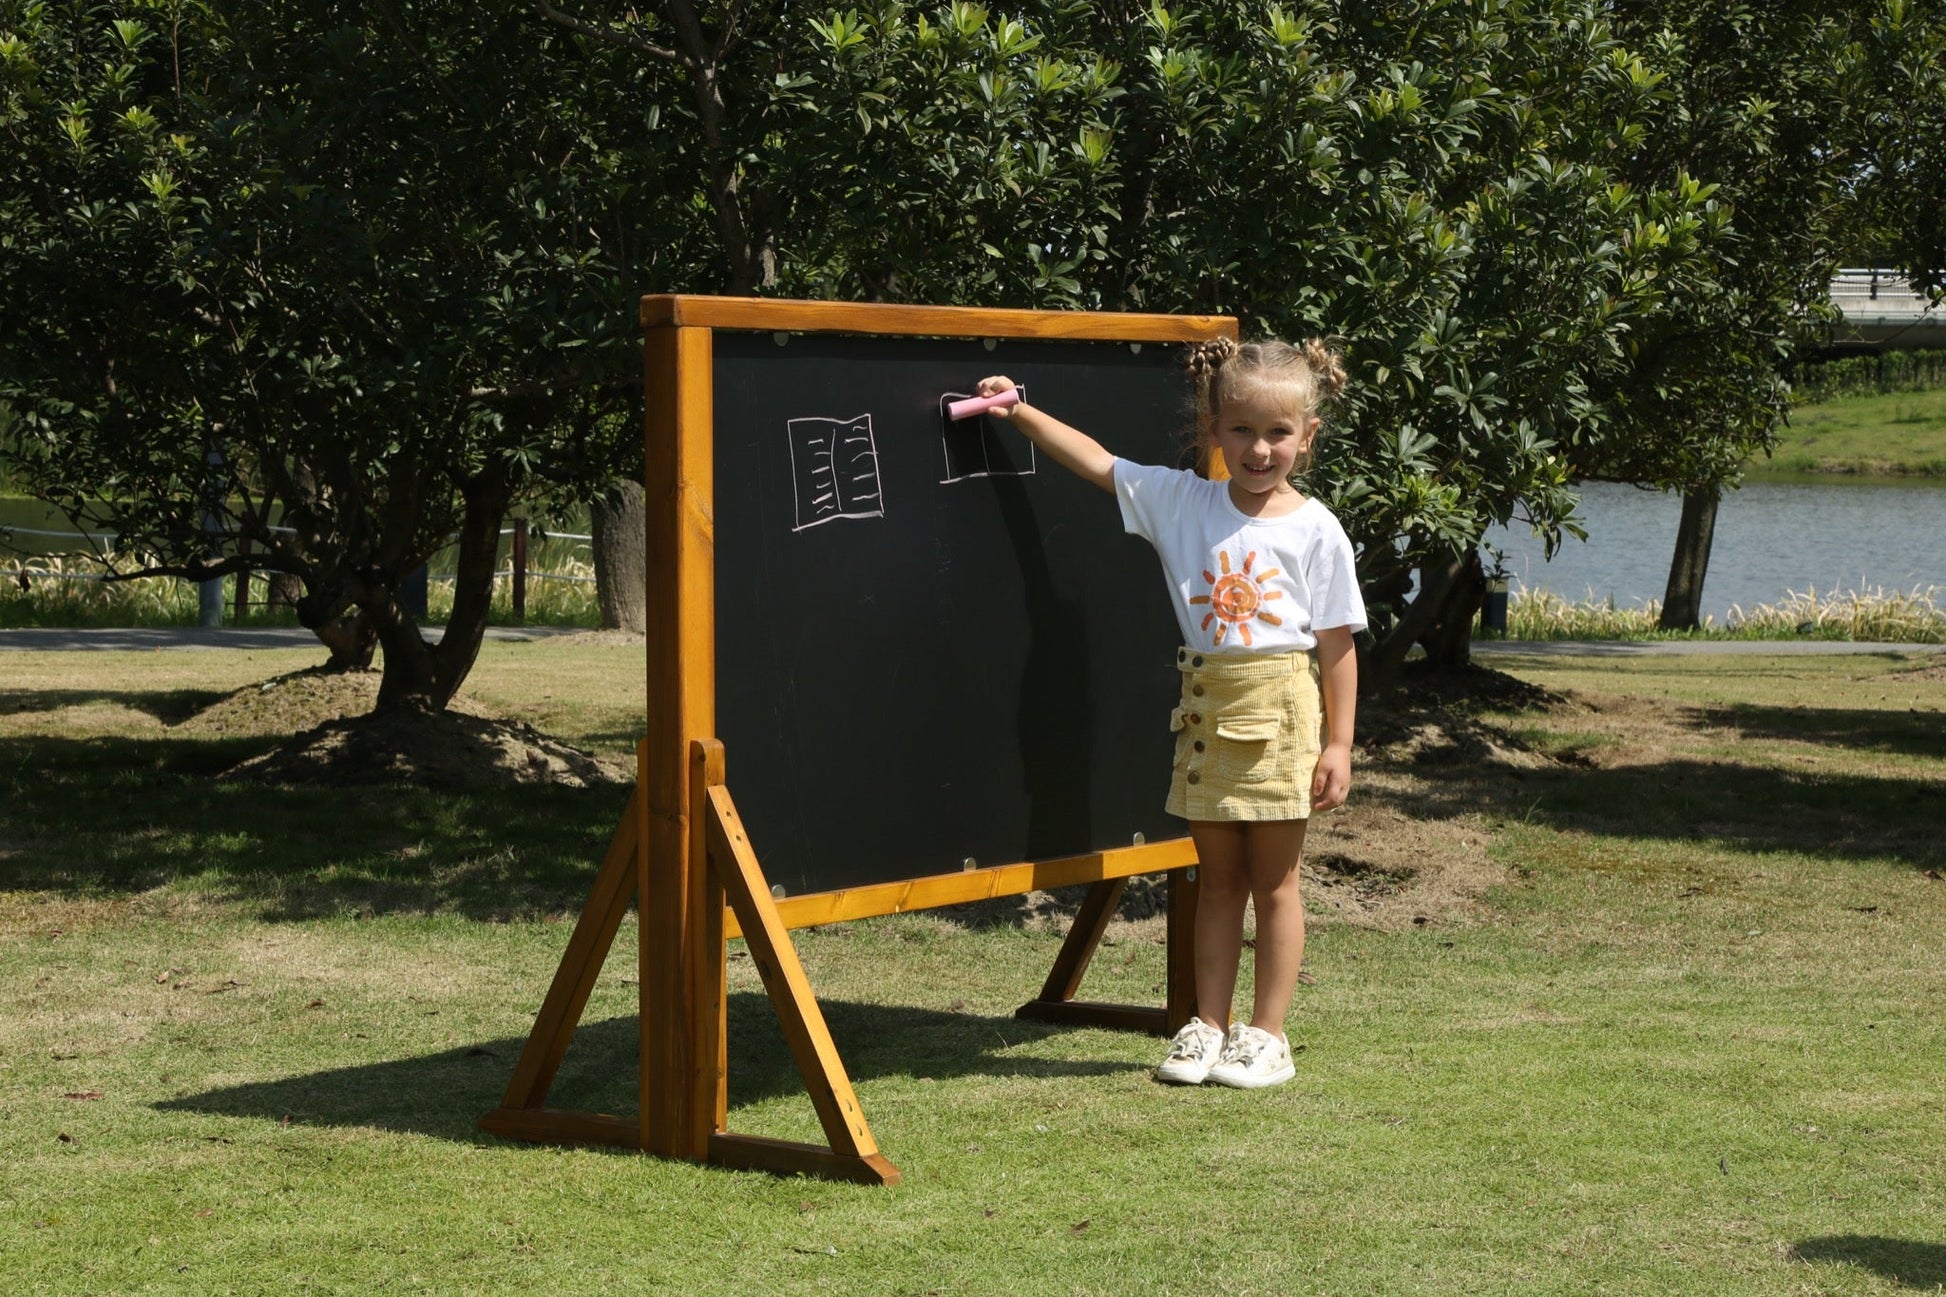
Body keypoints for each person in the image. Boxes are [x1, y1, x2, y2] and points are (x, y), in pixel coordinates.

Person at [976, 337, 1363, 1089]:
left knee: (1274, 883)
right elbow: (1095, 461)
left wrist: (1339, 743)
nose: (1259, 450)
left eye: (1279, 433)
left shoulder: (1317, 529)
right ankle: (1208, 1026)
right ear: (1213, 429)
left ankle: (1268, 1034)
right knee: (1216, 881)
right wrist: (1018, 410)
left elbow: (1338, 646)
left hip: (1283, 711)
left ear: (1307, 437)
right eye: (1243, 430)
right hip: (1206, 708)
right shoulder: (1181, 500)